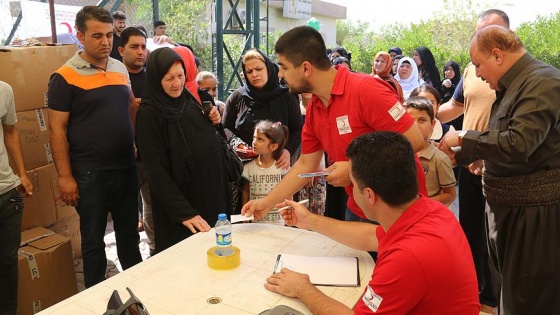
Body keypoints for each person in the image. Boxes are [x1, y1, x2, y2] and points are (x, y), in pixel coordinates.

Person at [265, 131, 479, 314]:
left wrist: (302, 288)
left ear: (369, 194)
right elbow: (371, 236)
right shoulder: (433, 211)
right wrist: (310, 220)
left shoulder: (406, 259)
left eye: (352, 183)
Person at [242, 26, 427, 230]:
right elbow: (306, 164)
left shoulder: (366, 90)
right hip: (358, 210)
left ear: (305, 68)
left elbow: (415, 141)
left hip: (400, 213)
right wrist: (266, 203)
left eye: (284, 67)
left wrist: (353, 168)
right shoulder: (315, 108)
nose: (280, 74)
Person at [439, 25, 560, 315]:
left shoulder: (543, 82)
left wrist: (464, 136)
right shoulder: (516, 85)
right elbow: (517, 145)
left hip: (532, 218)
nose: (478, 74)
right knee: (508, 294)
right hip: (508, 212)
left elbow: (519, 143)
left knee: (527, 301)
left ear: (497, 56)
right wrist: (484, 159)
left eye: (478, 65)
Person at [47, 5, 142, 288]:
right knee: (92, 241)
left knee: (129, 237)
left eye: (110, 36)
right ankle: (97, 299)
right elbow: (56, 129)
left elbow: (131, 105)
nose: (106, 42)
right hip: (89, 174)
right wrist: (65, 177)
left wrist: (132, 140)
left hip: (125, 168)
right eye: (97, 36)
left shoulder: (119, 67)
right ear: (80, 36)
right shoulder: (63, 77)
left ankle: (138, 291)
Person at [437, 9, 510, 313]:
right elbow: (453, 107)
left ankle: (497, 299)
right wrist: (415, 116)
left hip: (501, 169)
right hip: (468, 165)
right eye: (478, 33)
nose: (481, 39)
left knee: (499, 240)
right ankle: (475, 295)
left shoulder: (519, 74)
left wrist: (485, 153)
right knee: (470, 233)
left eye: (490, 32)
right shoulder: (472, 68)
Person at [135, 47, 231, 254]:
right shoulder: (149, 114)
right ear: (156, 78)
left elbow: (203, 133)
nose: (177, 83)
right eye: (169, 78)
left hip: (208, 197)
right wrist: (184, 212)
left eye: (180, 76)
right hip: (182, 209)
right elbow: (155, 171)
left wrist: (214, 121)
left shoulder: (185, 98)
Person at [223, 48, 302, 212]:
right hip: (245, 171)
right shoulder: (237, 97)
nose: (254, 74)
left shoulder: (286, 96)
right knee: (247, 216)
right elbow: (224, 128)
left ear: (268, 68)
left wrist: (287, 150)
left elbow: (297, 129)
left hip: (278, 168)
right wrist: (237, 144)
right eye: (249, 71)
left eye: (259, 69)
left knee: (280, 215)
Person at [118, 26, 155, 254]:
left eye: (143, 47)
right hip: (121, 155)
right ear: (121, 50)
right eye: (134, 47)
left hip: (150, 154)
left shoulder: (153, 76)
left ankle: (154, 248)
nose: (140, 52)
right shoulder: (114, 77)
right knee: (126, 213)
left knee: (151, 205)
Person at [0, 81, 34, 315]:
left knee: (7, 264)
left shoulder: (3, 90)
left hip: (7, 195)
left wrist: (21, 173)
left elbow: (10, 130)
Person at [404, 96, 456, 206]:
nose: (416, 125)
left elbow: (450, 194)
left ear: (432, 124)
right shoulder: (399, 155)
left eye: (422, 120)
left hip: (431, 215)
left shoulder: (440, 159)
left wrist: (421, 205)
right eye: (410, 120)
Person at [241, 120, 289, 224]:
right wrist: (245, 216)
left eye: (260, 139)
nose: (254, 142)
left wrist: (289, 214)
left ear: (273, 146)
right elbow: (246, 191)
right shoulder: (248, 168)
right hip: (255, 222)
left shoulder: (282, 167)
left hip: (278, 223)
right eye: (254, 138)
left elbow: (288, 192)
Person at [441, 60, 463, 130]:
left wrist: (452, 87)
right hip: (444, 118)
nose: (448, 72)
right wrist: (443, 88)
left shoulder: (460, 84)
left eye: (451, 70)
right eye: (447, 69)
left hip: (458, 119)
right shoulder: (441, 84)